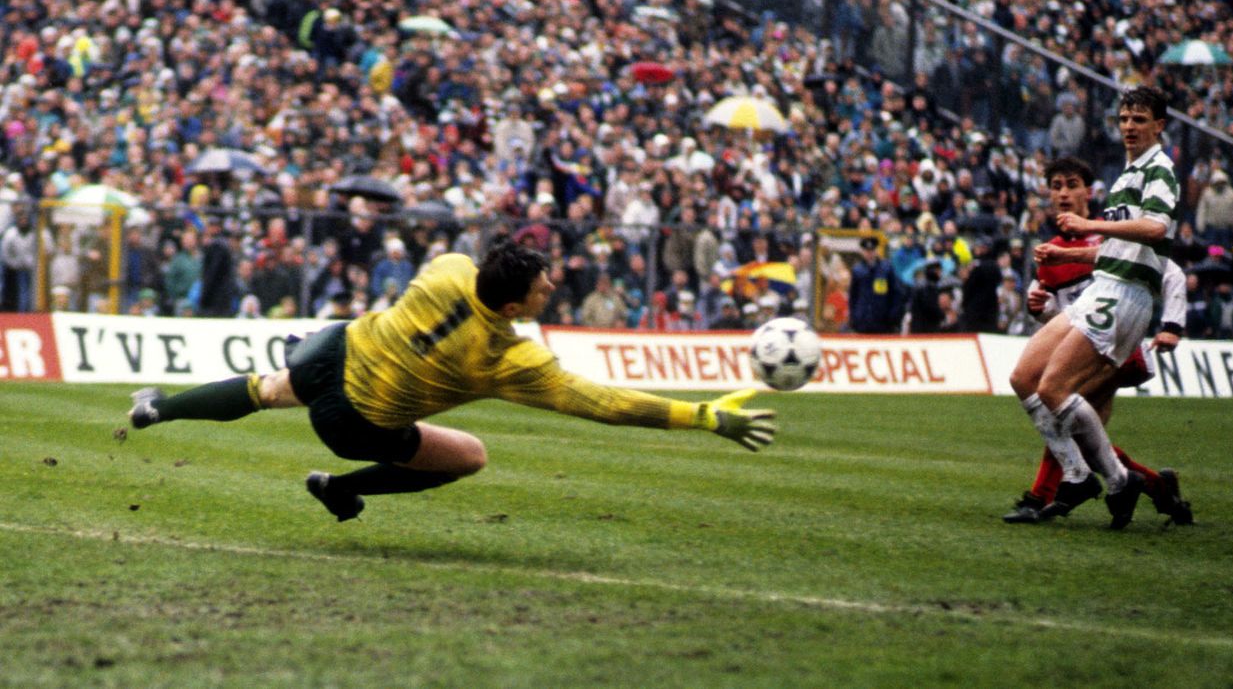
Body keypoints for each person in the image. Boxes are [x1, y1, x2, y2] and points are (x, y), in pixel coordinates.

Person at [127, 240, 776, 521]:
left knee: (266, 390)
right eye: (543, 283)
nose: (552, 284)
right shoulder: (509, 360)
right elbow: (602, 402)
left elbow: (476, 270)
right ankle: (338, 488)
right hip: (355, 420)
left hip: (333, 351)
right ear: (517, 305)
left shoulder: (448, 267)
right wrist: (701, 415)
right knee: (470, 455)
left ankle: (157, 408)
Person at [1007, 87, 1179, 530]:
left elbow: (1157, 229)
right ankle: (1094, 478)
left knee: (1055, 390)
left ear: (1159, 125)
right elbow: (1120, 246)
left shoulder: (1160, 170)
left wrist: (1090, 225)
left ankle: (1099, 481)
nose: (1128, 126)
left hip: (1123, 297)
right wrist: (1068, 256)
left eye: (1139, 119)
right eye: (1124, 118)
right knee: (1024, 378)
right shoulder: (1127, 174)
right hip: (1103, 288)